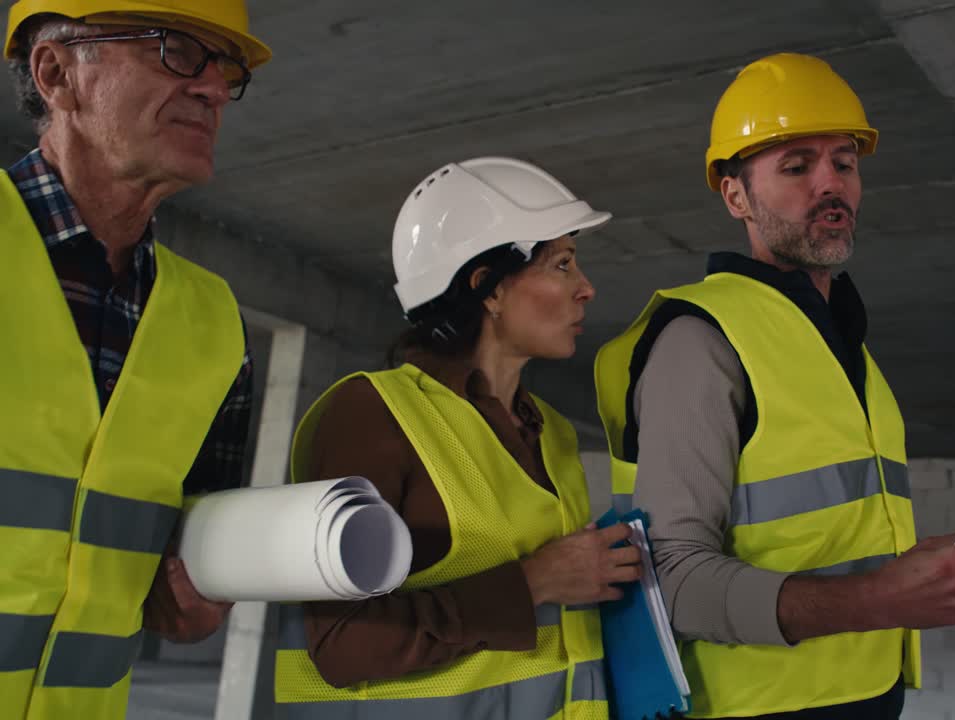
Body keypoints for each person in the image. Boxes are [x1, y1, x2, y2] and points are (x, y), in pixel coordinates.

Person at [594, 53, 955, 719]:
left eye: (844, 162)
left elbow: (866, 555)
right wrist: (879, 603)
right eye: (797, 166)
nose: (829, 184)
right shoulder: (701, 340)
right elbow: (672, 581)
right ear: (735, 194)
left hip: (865, 699)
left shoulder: (845, 350)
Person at [273, 157, 640, 719]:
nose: (586, 288)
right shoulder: (375, 413)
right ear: (486, 289)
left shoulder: (554, 432)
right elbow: (341, 644)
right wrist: (533, 583)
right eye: (562, 264)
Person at [0, 2, 270, 718]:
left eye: (226, 69)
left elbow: (187, 579)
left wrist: (199, 594)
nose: (214, 88)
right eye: (177, 50)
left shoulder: (211, 321)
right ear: (57, 73)